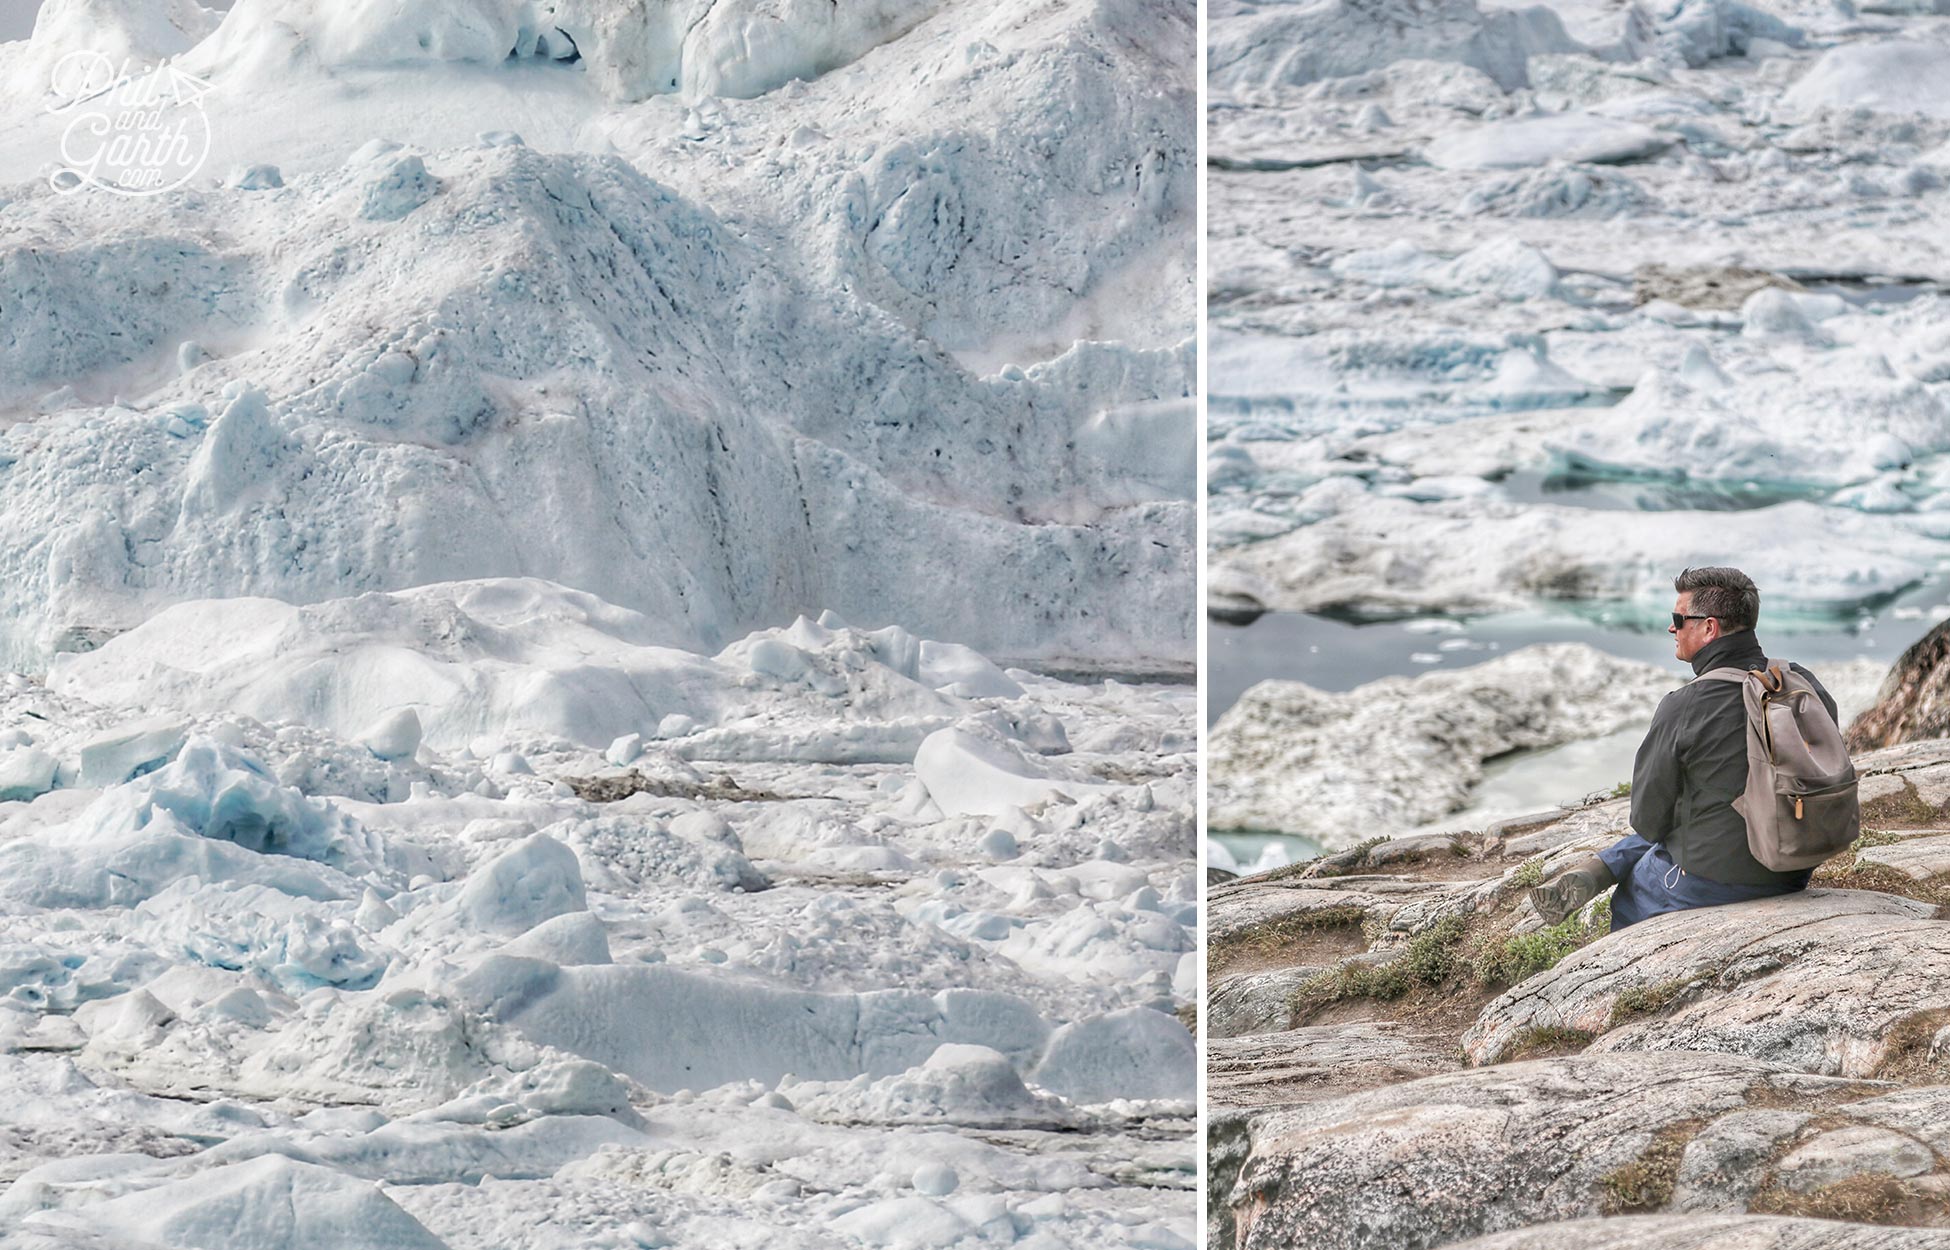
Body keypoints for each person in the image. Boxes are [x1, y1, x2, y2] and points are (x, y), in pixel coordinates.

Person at [1530, 566, 1839, 930]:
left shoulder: (1685, 705)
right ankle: (1601, 868)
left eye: (1678, 618)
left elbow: (1647, 818)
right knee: (1700, 814)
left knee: (1635, 888)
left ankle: (1606, 876)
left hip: (1716, 881)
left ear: (1709, 628)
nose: (1671, 628)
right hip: (1796, 864)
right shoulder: (1801, 682)